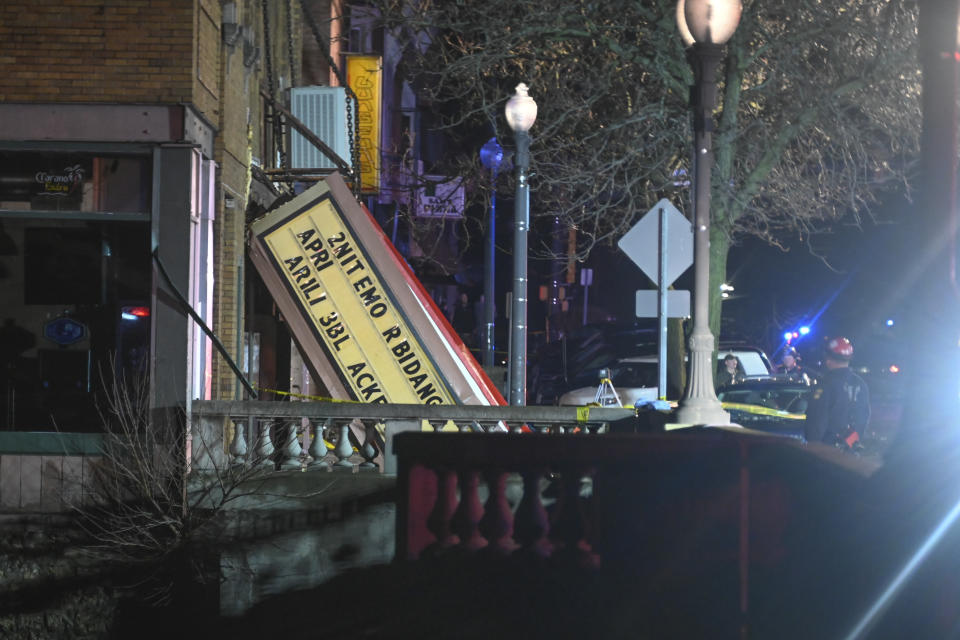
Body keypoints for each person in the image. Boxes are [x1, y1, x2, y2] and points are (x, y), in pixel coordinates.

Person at [803, 336, 870, 449]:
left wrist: (813, 447)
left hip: (826, 452)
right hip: (850, 451)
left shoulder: (825, 385)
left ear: (828, 359)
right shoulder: (860, 384)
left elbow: (817, 421)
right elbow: (863, 416)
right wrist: (852, 442)